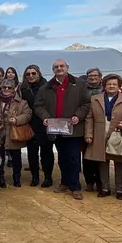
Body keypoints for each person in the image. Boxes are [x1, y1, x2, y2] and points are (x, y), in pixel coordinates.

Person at [34, 59, 89, 200]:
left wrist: (78, 116)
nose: (59, 68)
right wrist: (45, 118)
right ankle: (64, 182)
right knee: (62, 157)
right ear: (53, 70)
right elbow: (38, 106)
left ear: (67, 67)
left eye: (61, 66)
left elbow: (86, 104)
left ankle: (75, 186)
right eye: (56, 67)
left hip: (73, 129)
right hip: (56, 129)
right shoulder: (46, 87)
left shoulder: (79, 84)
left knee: (74, 158)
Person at [84, 74, 122, 199]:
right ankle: (105, 188)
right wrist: (89, 134)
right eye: (109, 84)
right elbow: (89, 117)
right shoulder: (95, 99)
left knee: (119, 163)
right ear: (104, 85)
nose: (111, 86)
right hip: (99, 133)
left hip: (117, 134)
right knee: (102, 162)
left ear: (119, 86)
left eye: (114, 84)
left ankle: (119, 190)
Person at [0, 79, 31, 188]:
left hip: (13, 133)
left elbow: (28, 114)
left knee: (16, 158)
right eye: (4, 87)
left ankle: (17, 178)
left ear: (14, 89)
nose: (6, 89)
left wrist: (17, 120)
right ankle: (0, 178)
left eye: (9, 87)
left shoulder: (21, 102)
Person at [20, 65, 51, 187]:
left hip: (45, 123)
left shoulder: (48, 87)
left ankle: (48, 177)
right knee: (32, 153)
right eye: (28, 74)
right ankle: (35, 176)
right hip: (30, 124)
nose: (31, 76)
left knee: (46, 152)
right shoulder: (23, 89)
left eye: (33, 73)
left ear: (39, 73)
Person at [81, 67, 105, 190]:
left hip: (101, 125)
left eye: (95, 75)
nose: (93, 78)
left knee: (100, 155)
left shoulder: (105, 89)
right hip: (84, 123)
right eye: (90, 76)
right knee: (86, 156)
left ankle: (101, 181)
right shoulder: (82, 89)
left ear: (100, 77)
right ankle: (89, 181)